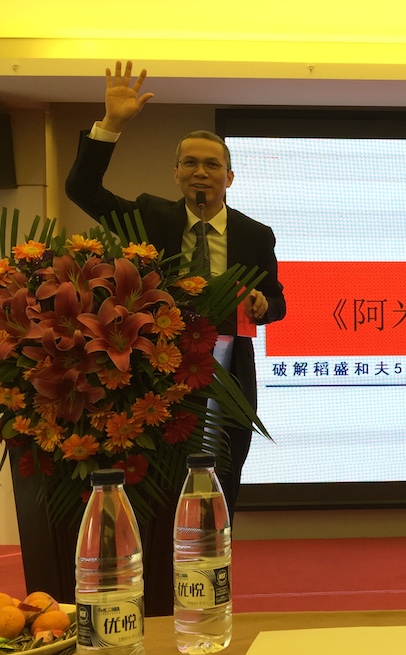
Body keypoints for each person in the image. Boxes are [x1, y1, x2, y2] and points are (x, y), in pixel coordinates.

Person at [65, 60, 286, 516]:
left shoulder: (254, 235)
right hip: (155, 371)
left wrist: (263, 304)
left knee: (224, 475)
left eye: (212, 164)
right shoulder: (151, 217)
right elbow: (82, 189)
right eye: (190, 163)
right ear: (176, 172)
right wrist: (111, 124)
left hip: (228, 372)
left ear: (229, 177)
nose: (200, 172)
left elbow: (278, 302)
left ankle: (217, 550)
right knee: (160, 481)